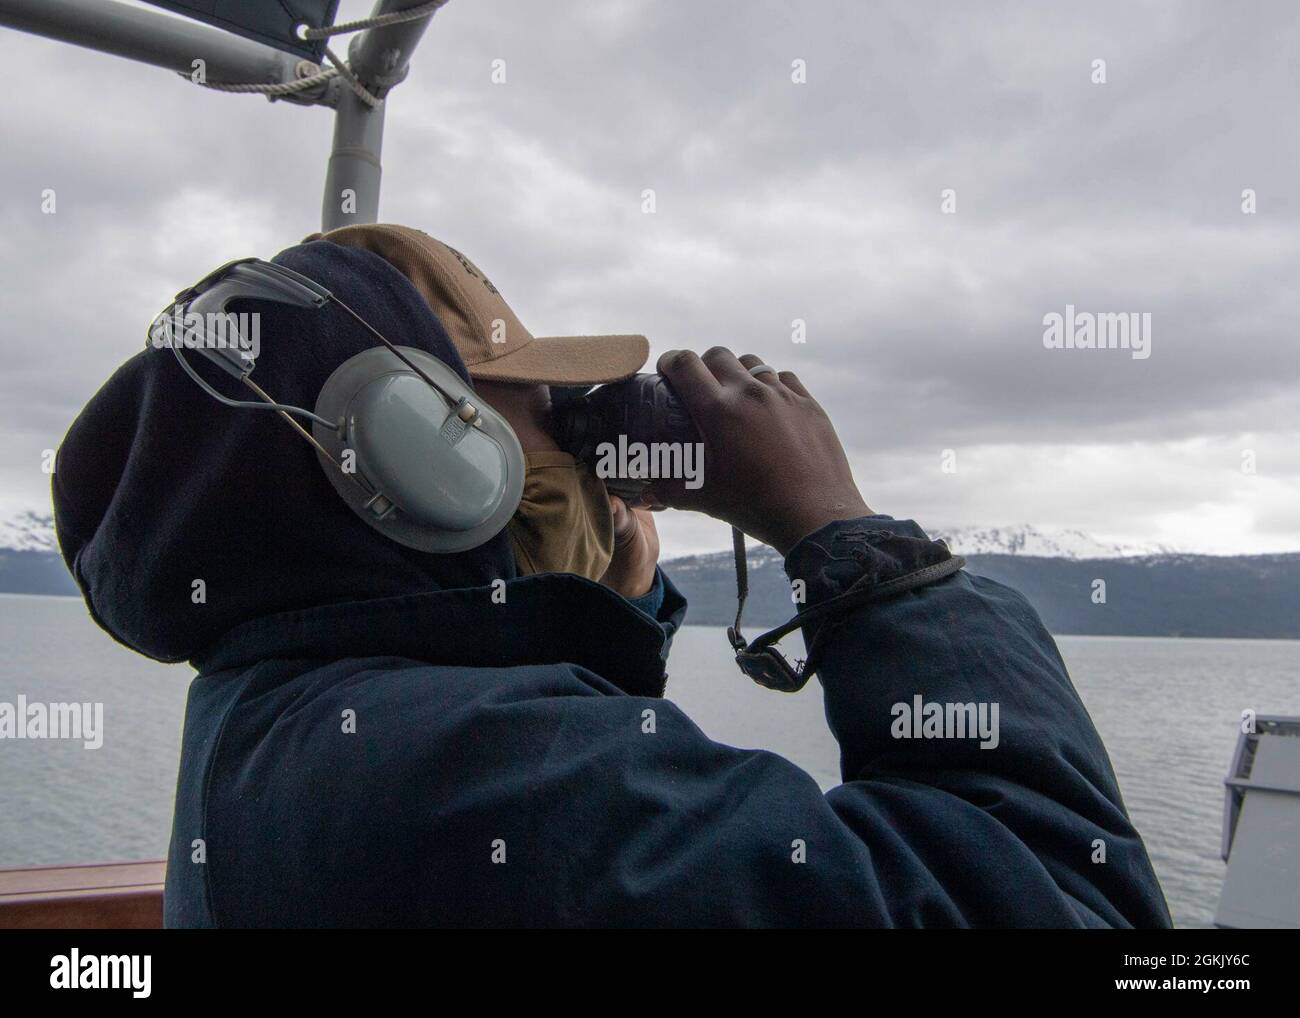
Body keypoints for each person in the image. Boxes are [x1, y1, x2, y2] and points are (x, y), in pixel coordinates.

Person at [51, 232, 1171, 927]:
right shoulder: (467, 775)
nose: (585, 460)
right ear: (421, 452)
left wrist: (610, 609)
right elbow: (1067, 899)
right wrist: (847, 536)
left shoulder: (281, 717)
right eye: (549, 411)